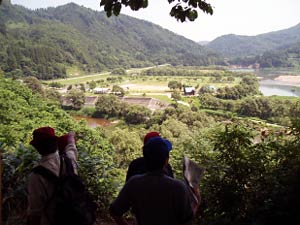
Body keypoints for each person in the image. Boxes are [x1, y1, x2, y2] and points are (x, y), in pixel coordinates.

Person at [110, 137, 200, 225]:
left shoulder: (134, 183)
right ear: (166, 160)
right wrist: (196, 202)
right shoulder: (178, 187)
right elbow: (187, 219)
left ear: (145, 158)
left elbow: (114, 212)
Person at [27, 127, 78, 225]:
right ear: (55, 143)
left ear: (37, 148)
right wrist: (71, 135)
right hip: (74, 217)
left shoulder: (36, 176)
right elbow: (71, 147)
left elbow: (35, 212)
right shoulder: (70, 161)